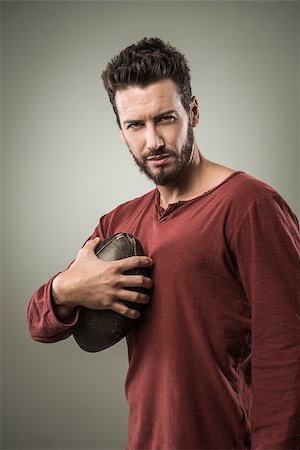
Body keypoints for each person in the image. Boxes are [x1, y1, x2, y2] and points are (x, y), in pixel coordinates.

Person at [27, 37, 300, 449]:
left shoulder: (250, 205)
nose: (152, 141)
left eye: (165, 119)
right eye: (135, 125)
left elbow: (288, 352)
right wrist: (67, 289)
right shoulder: (119, 221)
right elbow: (38, 325)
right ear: (121, 131)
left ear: (192, 112)